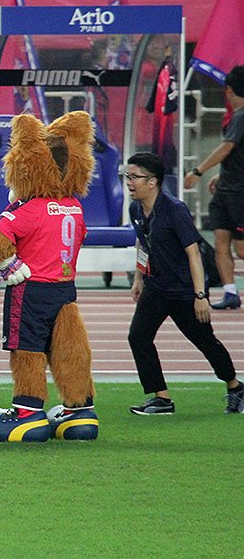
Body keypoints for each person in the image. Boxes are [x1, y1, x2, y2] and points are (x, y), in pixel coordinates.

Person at [126, 152, 244, 414]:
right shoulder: (135, 209)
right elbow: (142, 242)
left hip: (184, 291)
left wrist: (200, 296)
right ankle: (161, 398)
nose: (129, 182)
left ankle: (235, 386)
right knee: (138, 337)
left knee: (205, 341)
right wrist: (139, 278)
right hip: (156, 287)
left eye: (135, 177)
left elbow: (194, 254)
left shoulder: (174, 210)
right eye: (128, 176)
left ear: (152, 181)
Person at [184, 65, 244, 310]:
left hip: (239, 192)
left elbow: (227, 147)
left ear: (228, 90)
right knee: (220, 239)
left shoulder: (241, 116)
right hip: (225, 189)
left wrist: (198, 171)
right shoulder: (235, 117)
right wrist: (221, 175)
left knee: (241, 249)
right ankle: (230, 292)